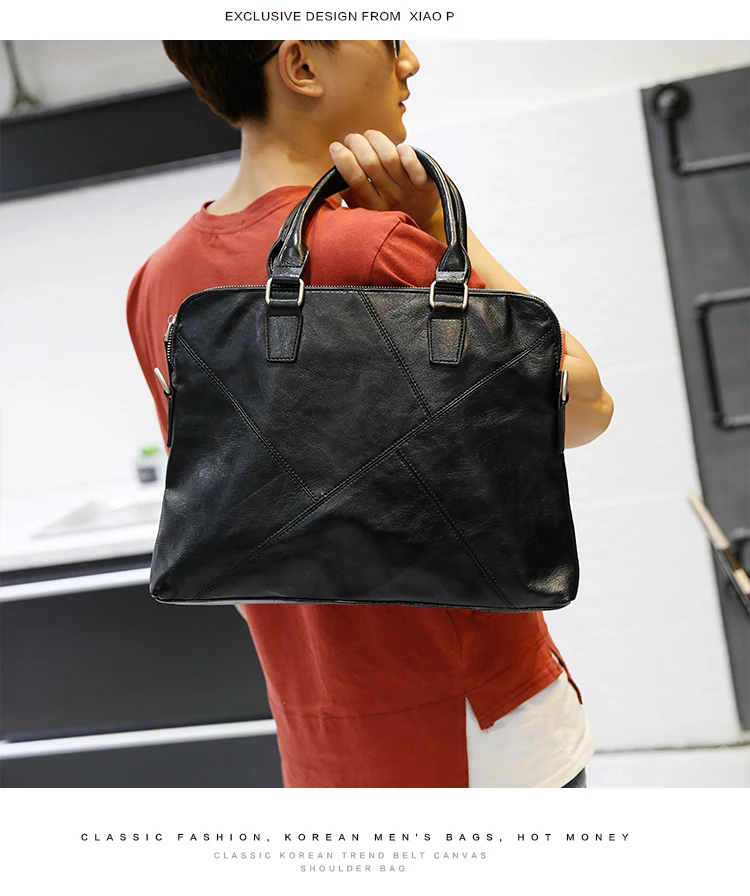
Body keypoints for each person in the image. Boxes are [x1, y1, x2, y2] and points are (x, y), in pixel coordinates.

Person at [126, 40, 614, 788]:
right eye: (387, 36)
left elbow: (231, 538)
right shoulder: (374, 248)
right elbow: (586, 403)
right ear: (302, 66)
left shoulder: (158, 283)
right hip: (477, 736)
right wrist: (443, 229)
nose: (409, 59)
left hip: (319, 743)